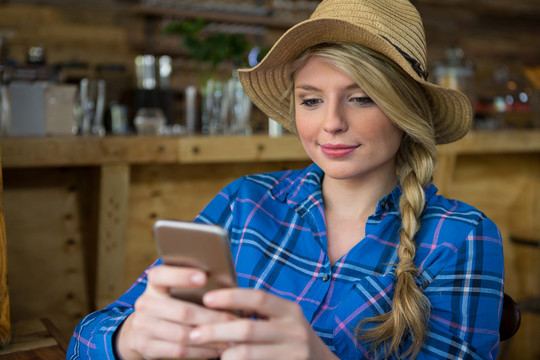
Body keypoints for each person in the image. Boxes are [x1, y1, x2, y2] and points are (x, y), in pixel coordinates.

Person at [67, 0, 504, 359]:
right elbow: (85, 339)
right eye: (311, 100)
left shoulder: (461, 236)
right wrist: (129, 340)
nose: (331, 123)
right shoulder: (244, 202)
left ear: (406, 111)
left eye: (361, 98)